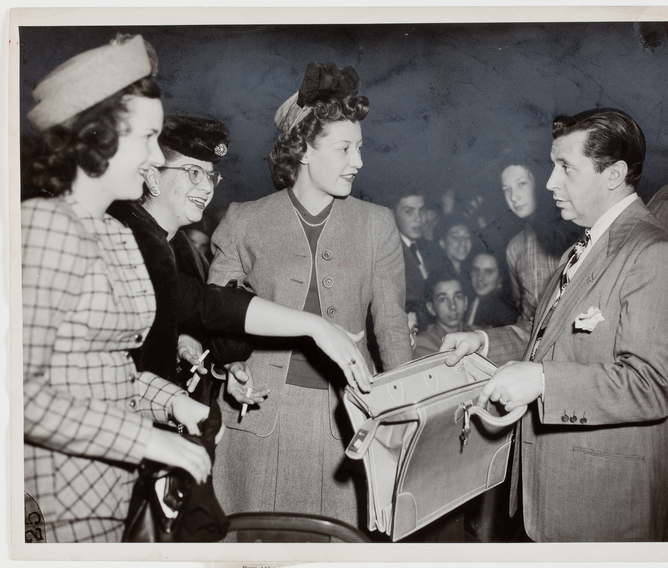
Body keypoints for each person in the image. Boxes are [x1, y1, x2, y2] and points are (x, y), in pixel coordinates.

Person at [441, 108, 668, 542]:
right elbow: (543, 338)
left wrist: (543, 381)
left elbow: (652, 385)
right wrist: (482, 342)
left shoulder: (652, 251)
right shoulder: (578, 250)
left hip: (603, 506)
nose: (550, 182)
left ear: (614, 174)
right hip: (551, 495)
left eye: (565, 167)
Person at [21, 34, 212, 542]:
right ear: (97, 136)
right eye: (147, 138)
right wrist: (147, 440)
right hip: (53, 505)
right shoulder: (45, 225)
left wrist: (172, 402)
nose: (154, 158)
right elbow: (18, 394)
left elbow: (107, 372)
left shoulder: (115, 232)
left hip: (107, 494)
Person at [207, 63, 412, 530]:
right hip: (258, 418)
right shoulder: (244, 220)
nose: (358, 161)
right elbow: (217, 318)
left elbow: (392, 328)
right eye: (344, 148)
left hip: (348, 421)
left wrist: (403, 412)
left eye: (359, 147)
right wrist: (230, 368)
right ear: (302, 149)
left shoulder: (376, 224)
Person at [108, 115, 371, 408]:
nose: (207, 188)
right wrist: (316, 326)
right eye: (193, 172)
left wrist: (190, 343)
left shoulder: (187, 255)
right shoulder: (124, 236)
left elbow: (187, 309)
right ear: (152, 176)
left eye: (211, 176)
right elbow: (207, 303)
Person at [501, 157, 579, 322]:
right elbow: (521, 304)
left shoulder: (572, 232)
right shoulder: (514, 247)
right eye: (506, 189)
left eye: (522, 184)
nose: (513, 197)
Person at [414, 271, 470, 358]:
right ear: (431, 307)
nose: (452, 306)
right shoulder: (421, 345)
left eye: (458, 297)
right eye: (443, 299)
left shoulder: (480, 335)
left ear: (465, 302)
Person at [392, 188, 431, 305]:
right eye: (408, 212)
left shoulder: (428, 247)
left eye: (422, 211)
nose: (418, 219)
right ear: (392, 215)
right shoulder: (390, 254)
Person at [466, 252, 518, 328]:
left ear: (500, 277)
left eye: (488, 272)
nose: (480, 278)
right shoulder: (472, 301)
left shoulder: (503, 312)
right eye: (476, 270)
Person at [432, 213, 475, 297]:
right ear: (442, 243)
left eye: (467, 237)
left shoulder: (470, 272)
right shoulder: (438, 276)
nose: (463, 242)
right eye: (455, 237)